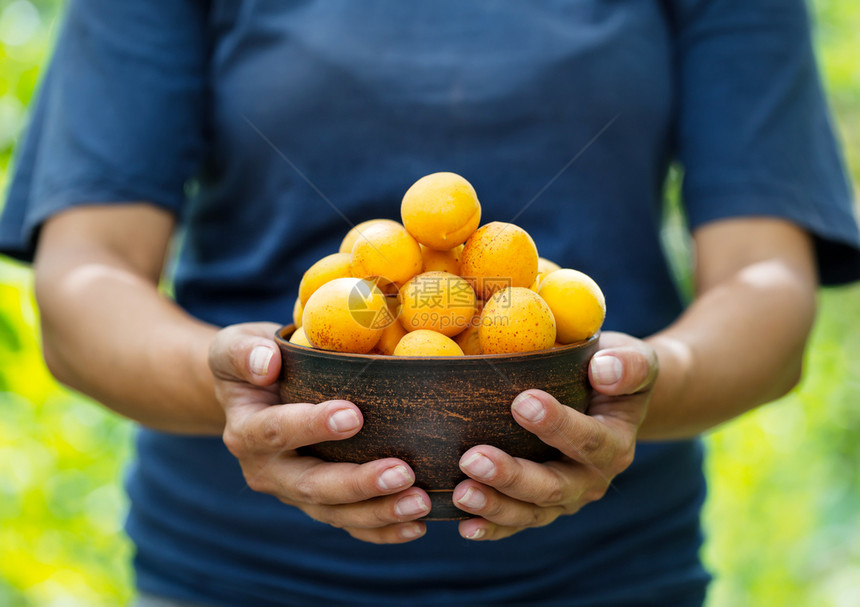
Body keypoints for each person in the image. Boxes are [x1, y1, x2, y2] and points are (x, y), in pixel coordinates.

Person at [2, 0, 859, 605]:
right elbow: (87, 282)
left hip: (604, 574)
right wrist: (253, 387)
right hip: (242, 575)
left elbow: (765, 285)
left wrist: (639, 383)